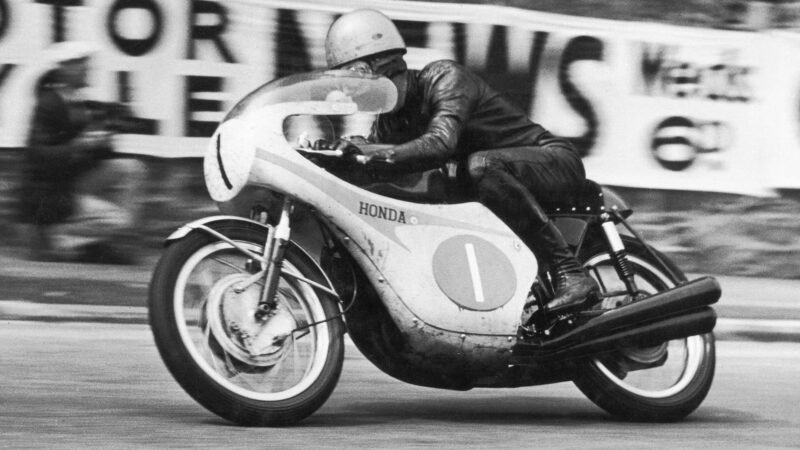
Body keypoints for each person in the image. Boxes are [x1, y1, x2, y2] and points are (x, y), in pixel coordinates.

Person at [322, 9, 599, 317]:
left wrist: (371, 152)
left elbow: (440, 144)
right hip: (495, 183)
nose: (355, 90)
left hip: (554, 161)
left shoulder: (443, 77)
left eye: (358, 78)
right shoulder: (387, 124)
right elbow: (386, 168)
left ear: (384, 66)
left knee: (481, 166)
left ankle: (571, 273)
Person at [17, 41, 144, 264]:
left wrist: (104, 140)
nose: (88, 70)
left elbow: (88, 154)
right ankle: (61, 238)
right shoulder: (47, 104)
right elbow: (38, 157)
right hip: (49, 192)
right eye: (82, 65)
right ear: (66, 70)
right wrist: (81, 144)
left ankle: (89, 238)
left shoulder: (77, 103)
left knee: (132, 169)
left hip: (69, 180)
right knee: (118, 217)